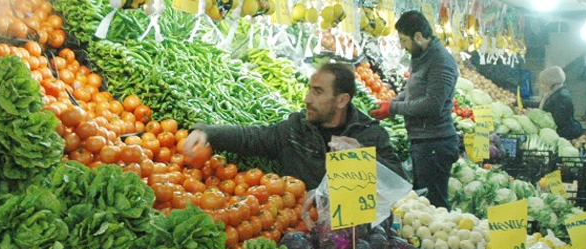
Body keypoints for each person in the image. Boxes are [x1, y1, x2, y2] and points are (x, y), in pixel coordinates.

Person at [182, 62, 404, 191]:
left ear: (342, 100)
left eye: (317, 92)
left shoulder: (370, 134)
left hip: (352, 238)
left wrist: (364, 159)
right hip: (300, 228)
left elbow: (399, 182)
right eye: (309, 90)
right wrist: (206, 131)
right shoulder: (295, 129)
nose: (307, 99)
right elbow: (251, 137)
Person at [369, 10, 459, 209]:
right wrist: (390, 103)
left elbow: (432, 104)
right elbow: (412, 91)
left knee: (434, 205)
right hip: (423, 142)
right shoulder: (422, 56)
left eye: (404, 40)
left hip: (435, 143)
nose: (402, 46)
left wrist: (394, 108)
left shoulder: (440, 61)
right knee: (424, 201)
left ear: (418, 36)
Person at [539, 66, 583, 140]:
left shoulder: (562, 97)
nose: (541, 86)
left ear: (552, 84)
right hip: (558, 134)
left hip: (565, 135)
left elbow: (559, 121)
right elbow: (544, 105)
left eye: (544, 83)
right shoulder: (553, 94)